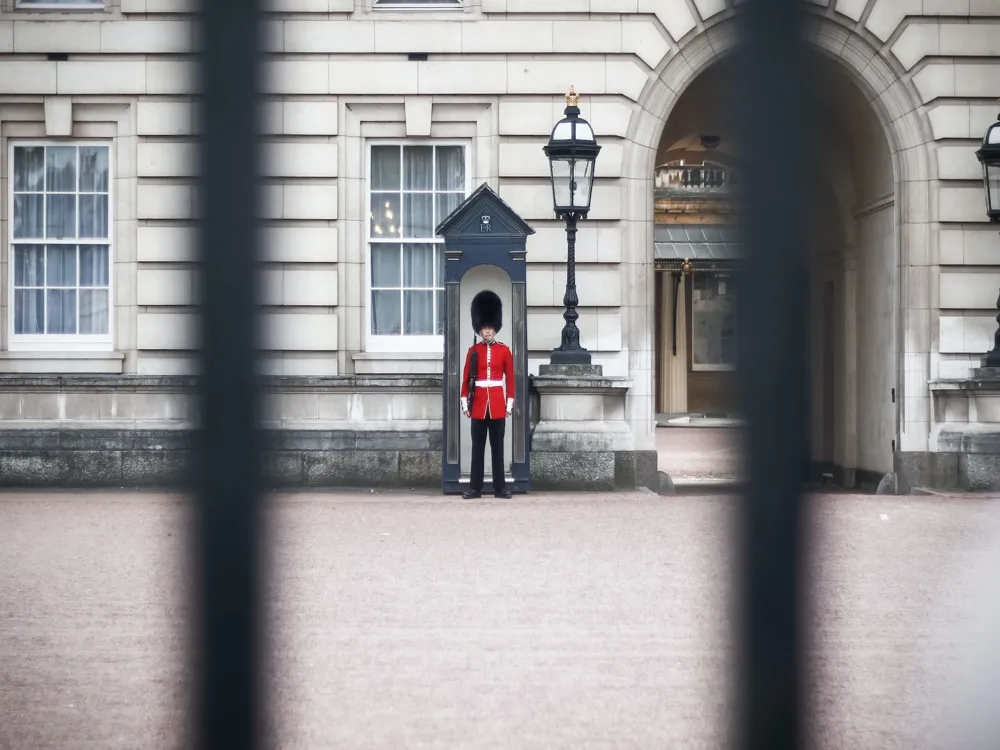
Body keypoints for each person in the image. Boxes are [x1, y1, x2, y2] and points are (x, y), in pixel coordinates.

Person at [460, 290, 515, 499]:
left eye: (490, 327)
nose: (488, 331)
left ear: (495, 328)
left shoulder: (504, 351)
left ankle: (500, 488)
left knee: (497, 449)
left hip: (498, 405)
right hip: (478, 405)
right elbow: (466, 379)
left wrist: (509, 403)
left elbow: (510, 378)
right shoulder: (472, 351)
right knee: (478, 449)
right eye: (484, 328)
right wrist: (465, 403)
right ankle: (475, 488)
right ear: (480, 328)